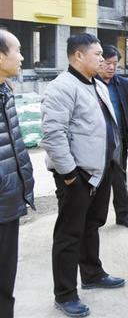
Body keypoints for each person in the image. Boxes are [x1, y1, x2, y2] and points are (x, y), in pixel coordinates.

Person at [41, 33, 126, 317]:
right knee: (69, 234)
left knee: (92, 225)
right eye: (97, 54)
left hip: (100, 171)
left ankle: (92, 273)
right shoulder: (62, 87)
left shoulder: (97, 85)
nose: (103, 59)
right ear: (78, 55)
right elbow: (54, 134)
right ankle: (65, 294)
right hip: (76, 176)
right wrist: (69, 175)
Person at [0, 29, 35, 318]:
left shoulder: (6, 91)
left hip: (8, 197)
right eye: (18, 50)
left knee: (5, 273)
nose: (22, 57)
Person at [97, 45, 128, 229]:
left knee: (120, 180)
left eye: (115, 64)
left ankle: (123, 215)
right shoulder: (92, 84)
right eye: (108, 63)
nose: (112, 67)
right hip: (98, 142)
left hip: (119, 140)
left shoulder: (122, 84)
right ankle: (95, 219)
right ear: (99, 62)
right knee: (99, 182)